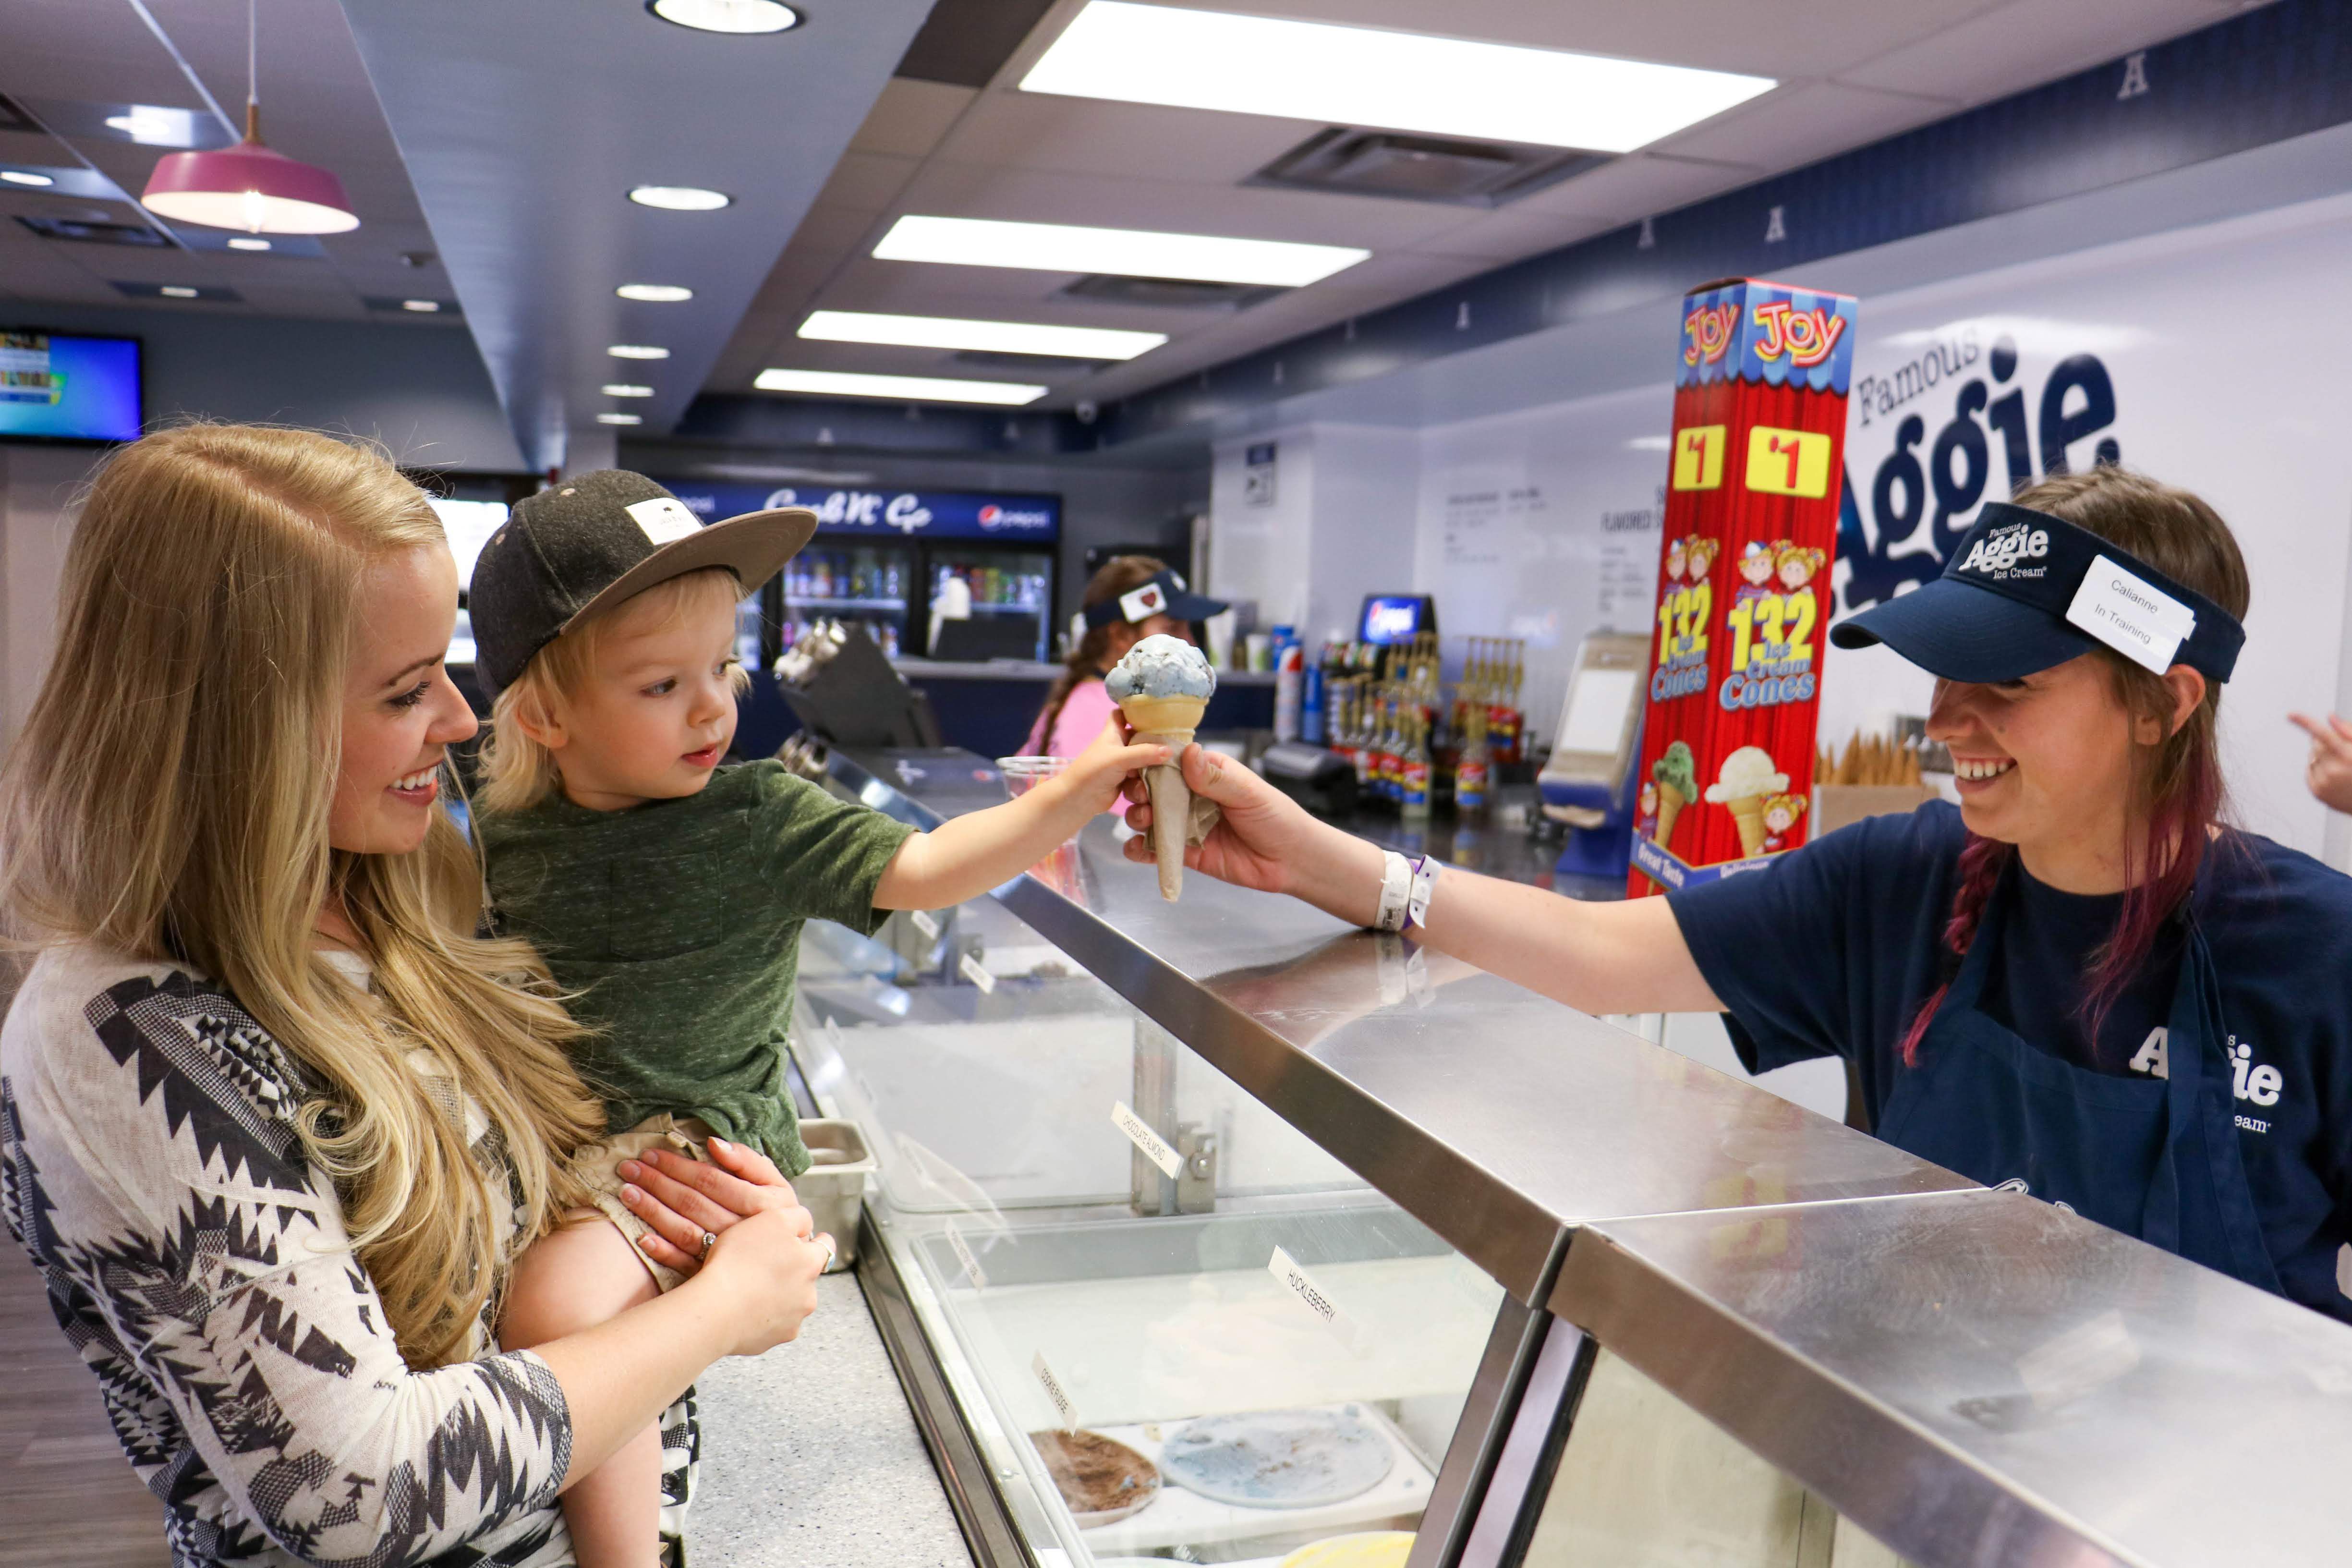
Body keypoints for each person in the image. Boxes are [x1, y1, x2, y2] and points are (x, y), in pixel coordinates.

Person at [1124, 467, 2352, 1323]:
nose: (1946, 723)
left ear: (2163, 702)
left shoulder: (2314, 949)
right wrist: (1317, 858)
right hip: (1944, 1459)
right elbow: (1601, 957)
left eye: (2007, 681)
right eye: (1940, 674)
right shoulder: (1903, 880)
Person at [0, 425, 832, 1568]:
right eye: (404, 690)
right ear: (241, 725)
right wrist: (717, 1310)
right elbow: (354, 1494)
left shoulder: (400, 883)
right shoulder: (118, 1038)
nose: (456, 719)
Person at [464, 472, 1167, 1562]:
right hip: (543, 1143)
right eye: (661, 684)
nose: (713, 708)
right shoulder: (492, 835)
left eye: (724, 669)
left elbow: (926, 867)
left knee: (560, 1314)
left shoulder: (760, 815)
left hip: (689, 1147)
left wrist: (1065, 796)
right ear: (544, 712)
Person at [1024, 556, 1227, 758]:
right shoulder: (1098, 718)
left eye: (1188, 628)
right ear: (1120, 635)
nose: (1191, 643)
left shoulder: (1102, 702)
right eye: (1172, 629)